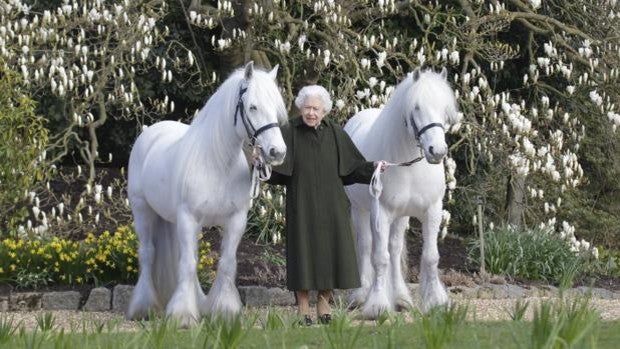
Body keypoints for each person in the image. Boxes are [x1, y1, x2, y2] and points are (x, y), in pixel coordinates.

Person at [266, 85, 384, 326]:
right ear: (300, 108)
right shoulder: (288, 131)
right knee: (303, 255)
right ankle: (303, 308)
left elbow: (352, 168)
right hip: (302, 204)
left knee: (332, 253)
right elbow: (276, 170)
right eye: (307, 108)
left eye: (316, 109)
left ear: (325, 111)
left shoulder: (336, 133)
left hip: (333, 206)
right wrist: (261, 165)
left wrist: (376, 167)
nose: (311, 113)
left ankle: (324, 303)